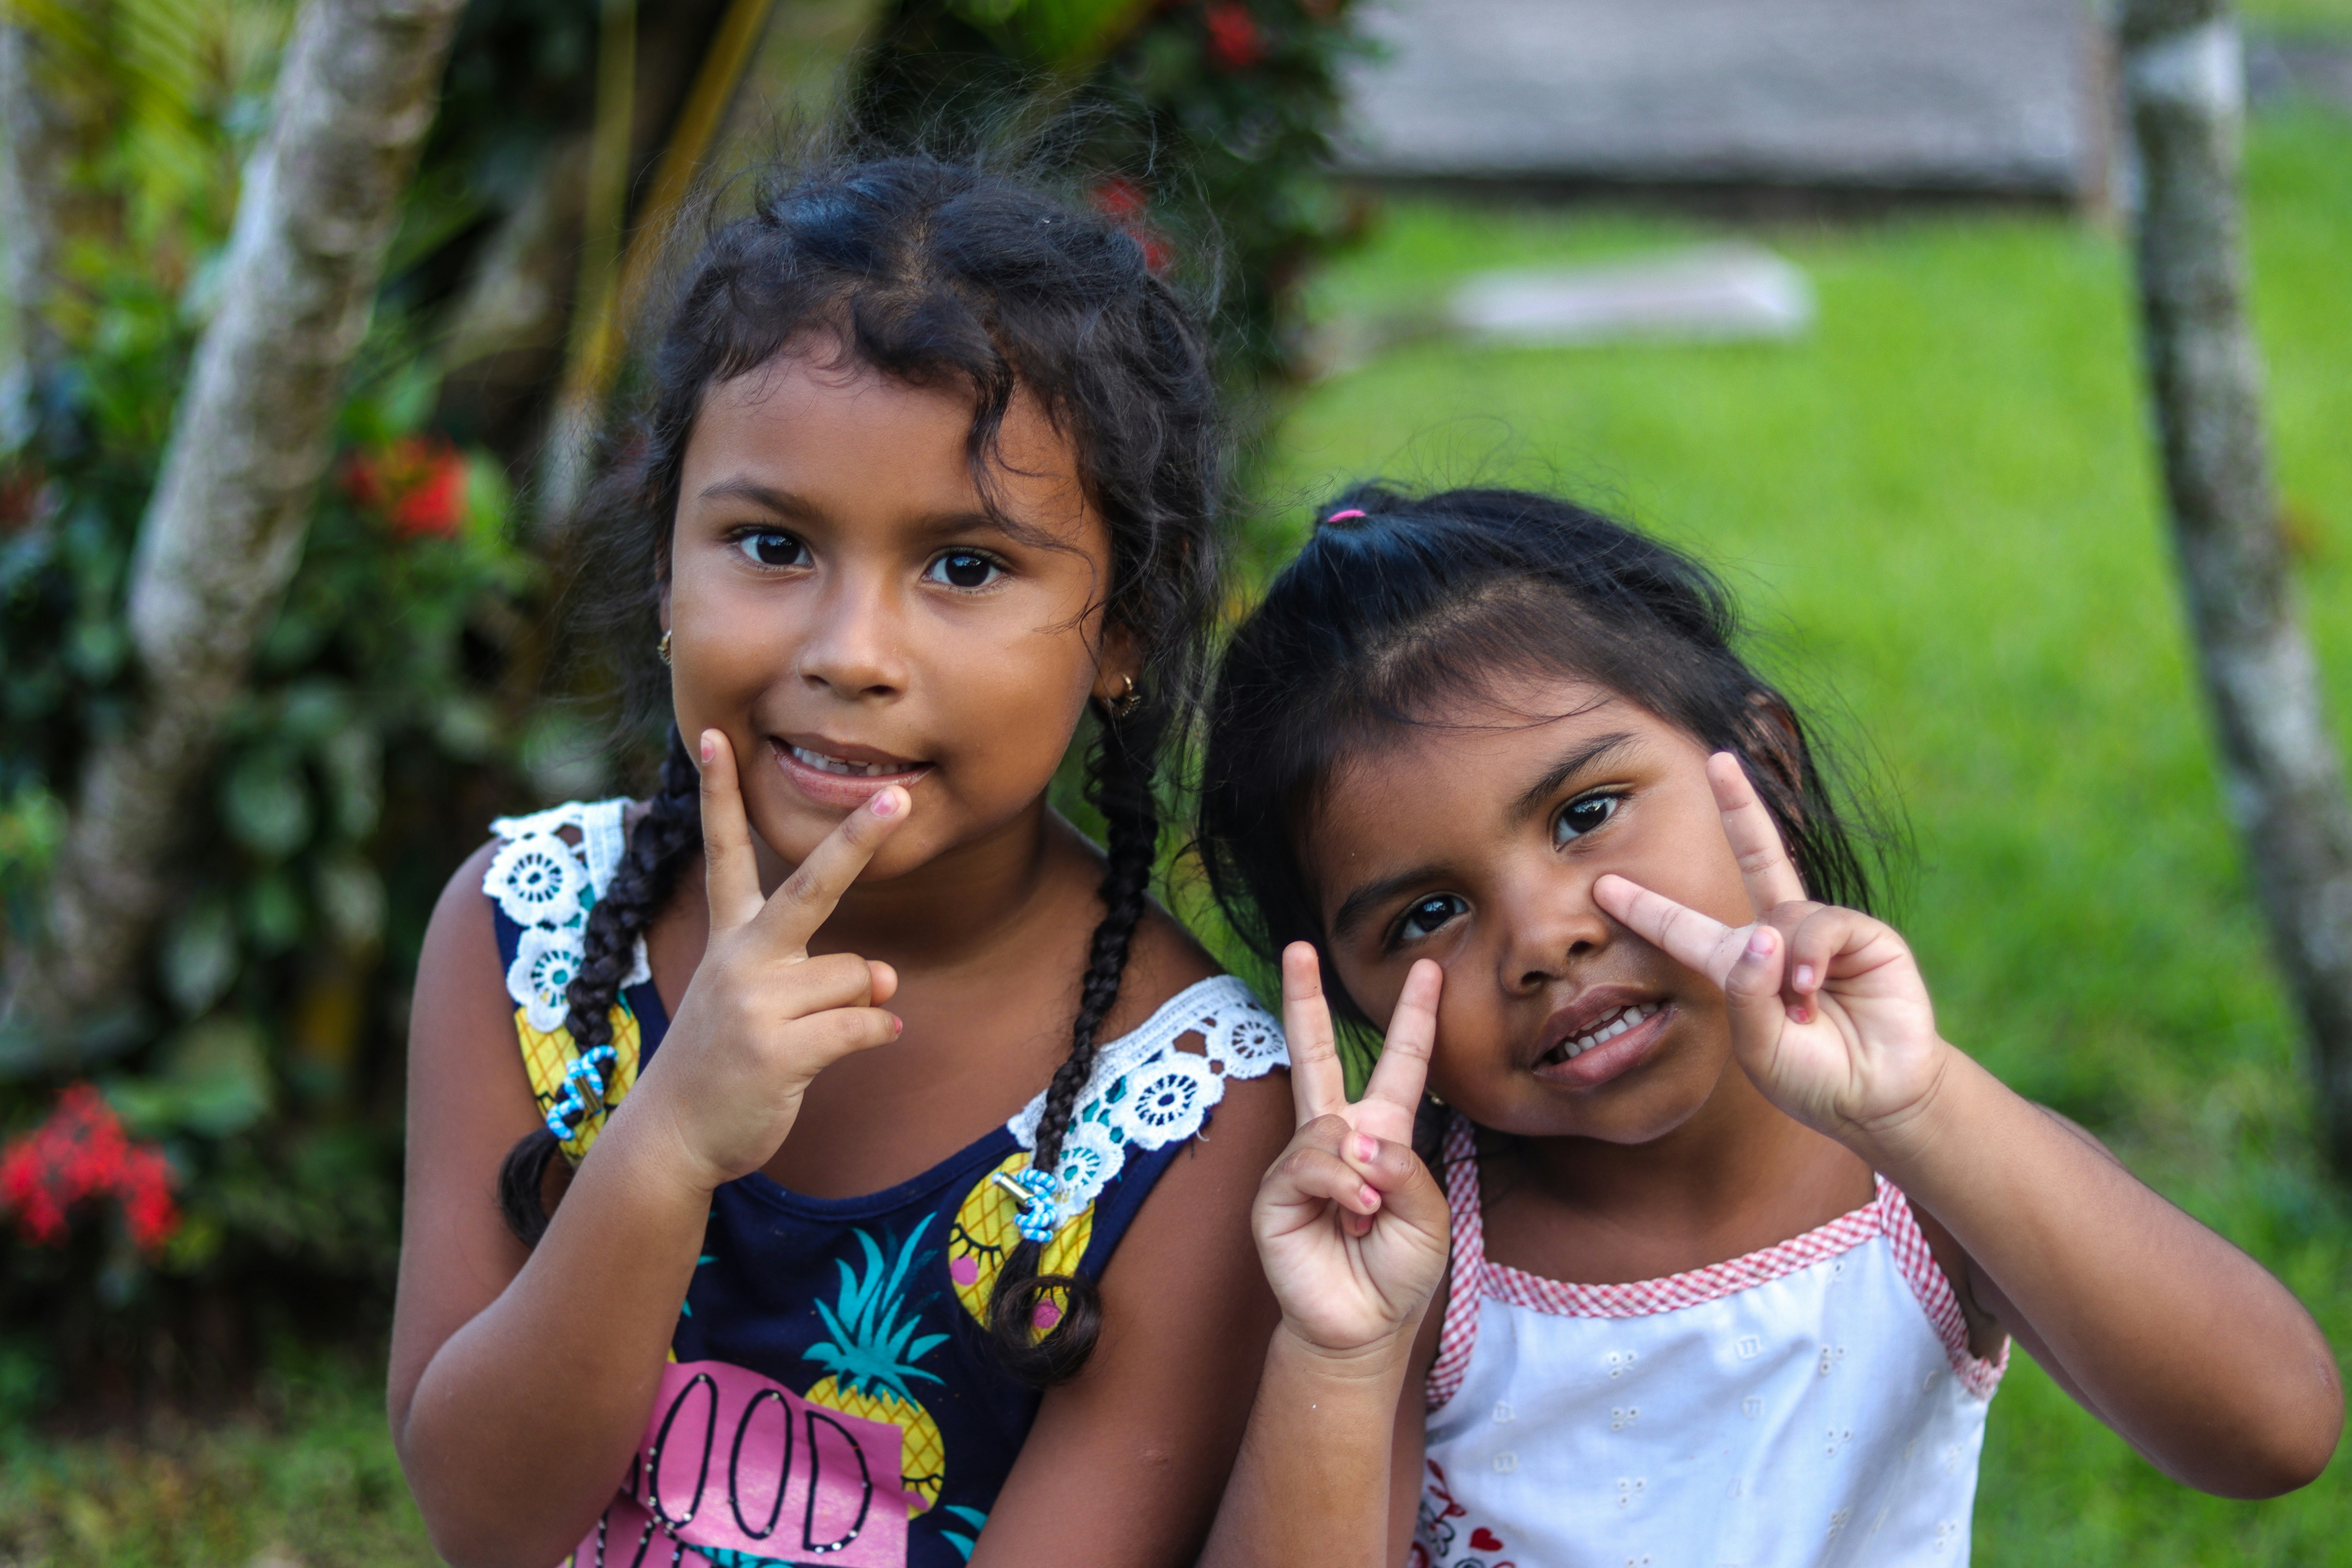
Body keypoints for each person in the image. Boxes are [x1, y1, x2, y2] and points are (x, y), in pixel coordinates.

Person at [387, 155, 1294, 1568]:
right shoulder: (532, 939)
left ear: (1123, 629)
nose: (851, 655)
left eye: (966, 568)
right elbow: (485, 1520)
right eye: (771, 544)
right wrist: (668, 1141)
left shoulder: (1189, 1108)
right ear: (668, 567)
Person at [1192, 486, 2343, 1567]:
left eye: (1585, 814)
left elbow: (2271, 1434)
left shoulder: (1927, 1178)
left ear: (1767, 766)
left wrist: (1924, 1108)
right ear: (1350, 991)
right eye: (1426, 914)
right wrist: (1340, 1355)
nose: (1543, 939)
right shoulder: (1417, 1259)